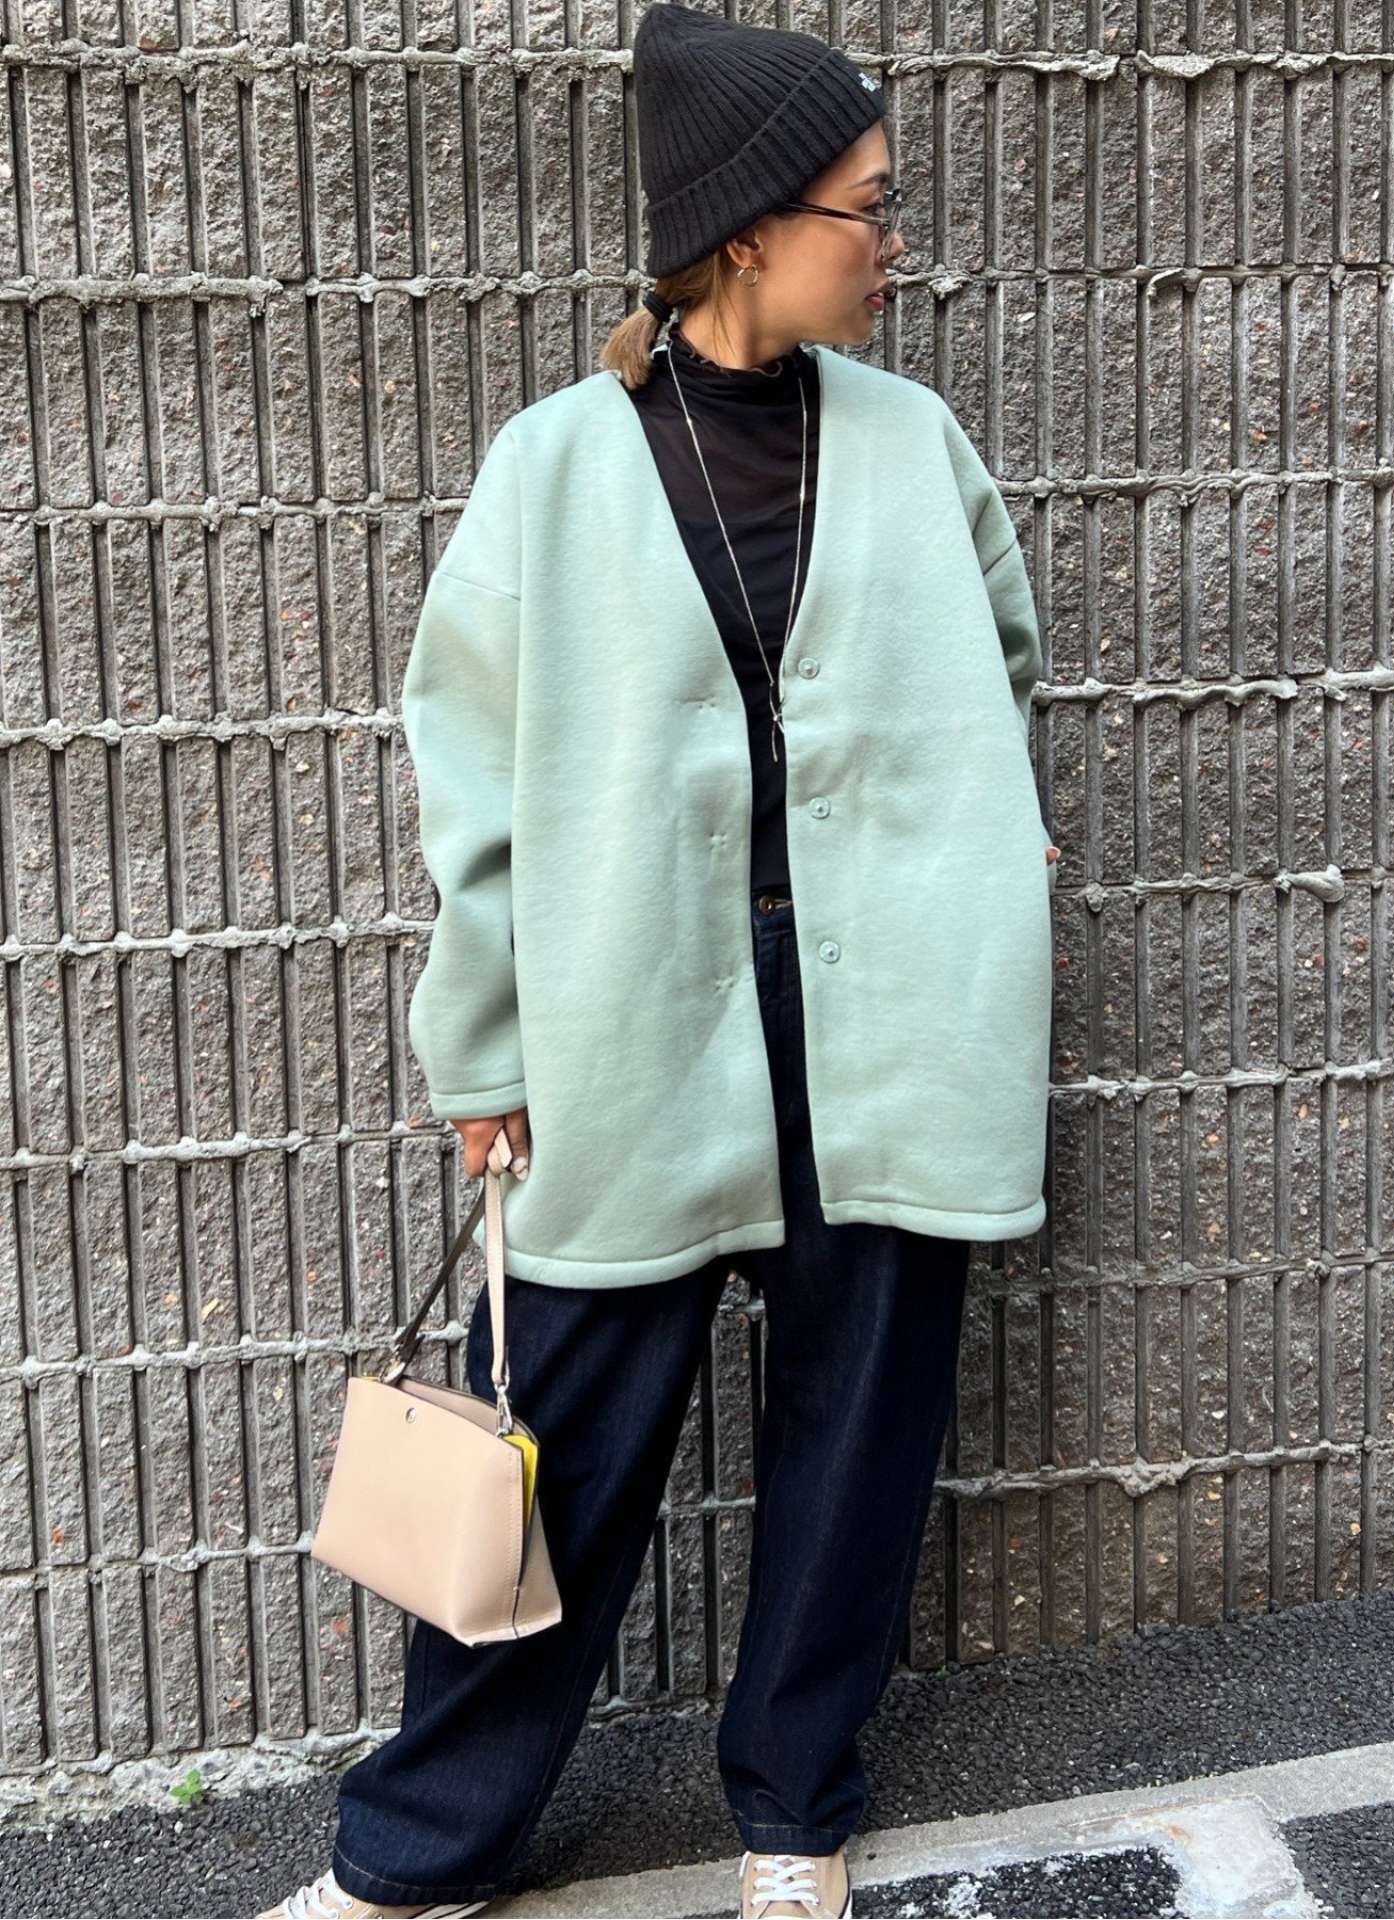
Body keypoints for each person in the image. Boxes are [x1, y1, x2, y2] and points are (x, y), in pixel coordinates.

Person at [261, 6, 1057, 1917]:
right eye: (869, 208)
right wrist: (483, 1047)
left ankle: (796, 1811)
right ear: (748, 231)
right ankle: (424, 1850)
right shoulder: (555, 466)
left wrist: (991, 834)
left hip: (890, 1012)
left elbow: (1001, 663)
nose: (895, 242)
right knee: (567, 1427)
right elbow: (473, 783)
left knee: (859, 1433)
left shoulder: (916, 442)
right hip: (633, 1008)